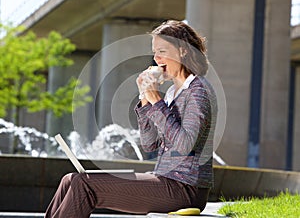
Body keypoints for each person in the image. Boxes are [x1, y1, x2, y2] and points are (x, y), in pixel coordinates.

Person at [44, 20, 217, 218]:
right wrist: (145, 99)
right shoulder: (172, 93)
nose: (156, 58)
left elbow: (185, 144)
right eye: (154, 52)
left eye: (162, 51)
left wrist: (156, 101)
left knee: (83, 184)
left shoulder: (198, 91)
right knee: (70, 179)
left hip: (186, 189)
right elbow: (150, 144)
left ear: (183, 51)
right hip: (165, 179)